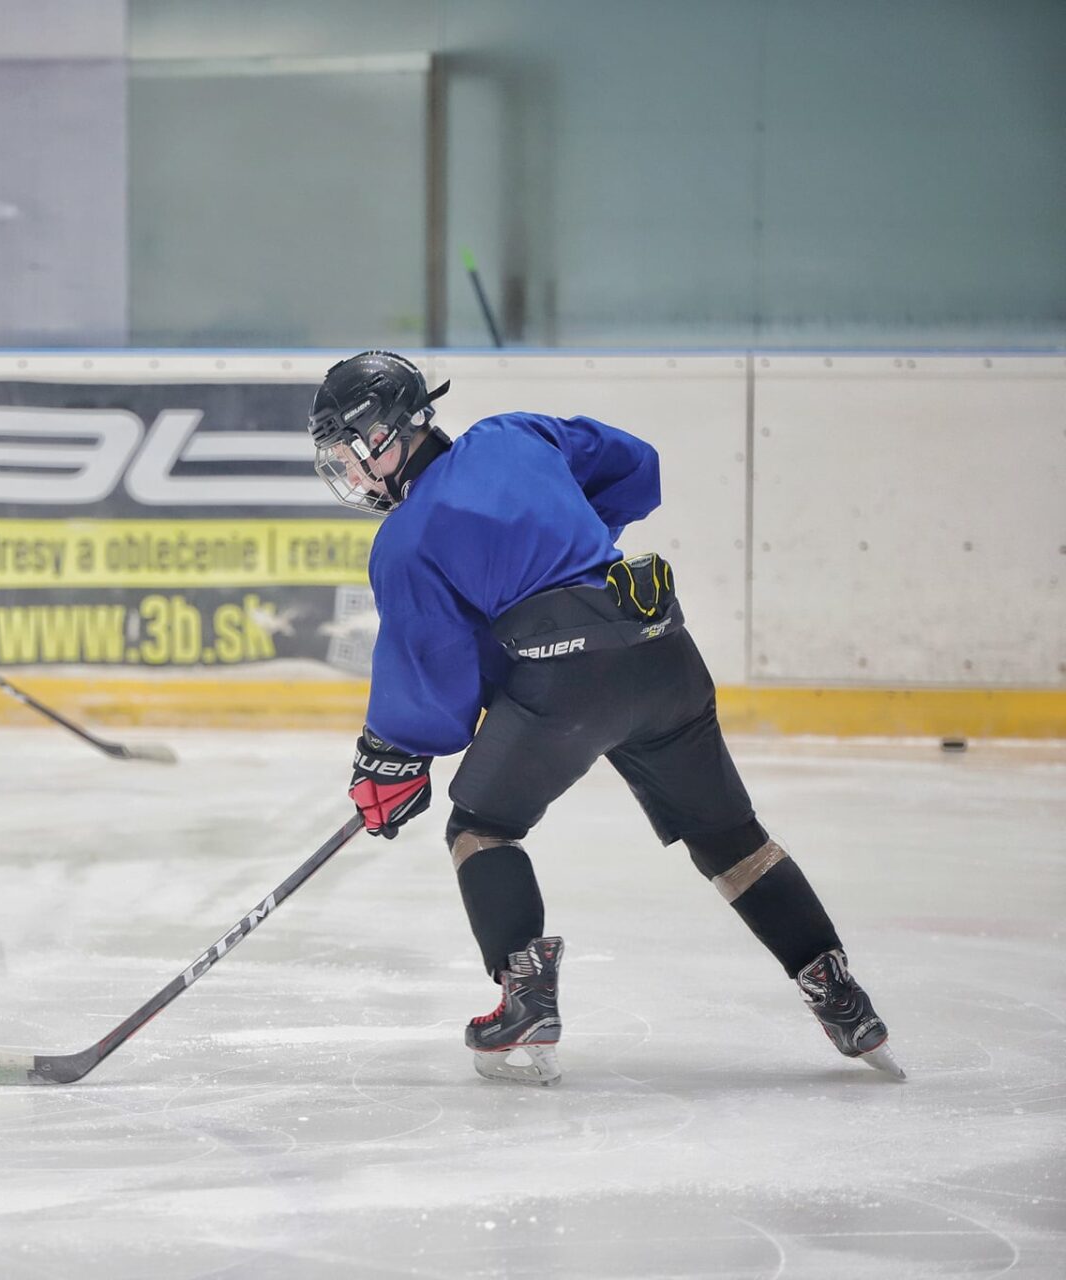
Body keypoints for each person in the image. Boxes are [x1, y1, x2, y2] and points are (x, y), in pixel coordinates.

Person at [307, 350, 901, 1086]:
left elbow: (437, 683)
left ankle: (526, 995)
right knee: (728, 837)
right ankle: (837, 992)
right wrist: (563, 543)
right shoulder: (516, 434)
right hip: (661, 653)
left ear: (395, 430)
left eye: (354, 452)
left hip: (568, 684)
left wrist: (391, 756)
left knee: (480, 826)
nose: (354, 474)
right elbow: (634, 464)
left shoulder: (403, 541)